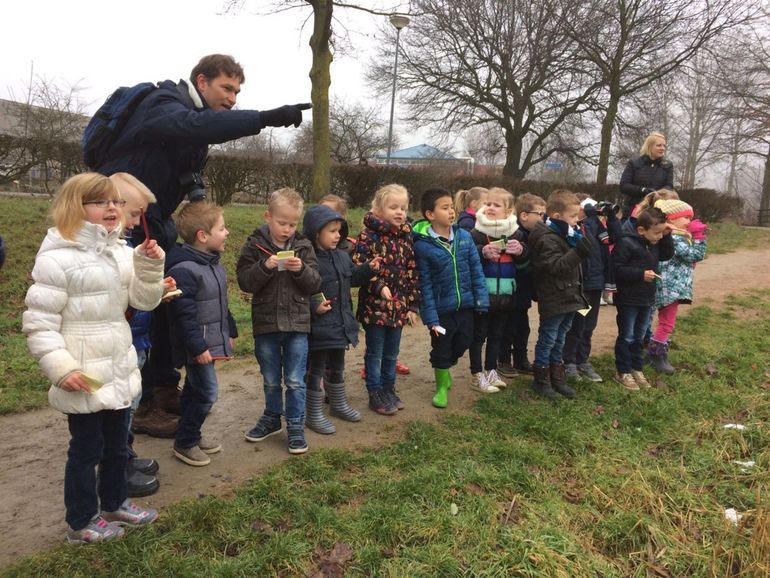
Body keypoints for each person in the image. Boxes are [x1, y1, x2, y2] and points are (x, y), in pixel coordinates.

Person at [94, 54, 311, 437]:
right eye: (227, 88)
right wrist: (262, 118)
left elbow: (183, 160)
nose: (232, 98)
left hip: (154, 220)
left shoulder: (191, 123)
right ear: (202, 81)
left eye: (238, 92)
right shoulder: (163, 103)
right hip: (123, 221)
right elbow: (190, 126)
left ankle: (159, 389)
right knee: (134, 312)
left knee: (164, 303)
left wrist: (195, 193)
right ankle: (135, 406)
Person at [22, 173, 163, 543]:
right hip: (84, 370)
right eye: (100, 202)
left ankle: (115, 503)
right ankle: (81, 520)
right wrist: (61, 368)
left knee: (119, 444)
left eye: (116, 201)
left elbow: (144, 301)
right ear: (76, 207)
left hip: (118, 361)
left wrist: (148, 267)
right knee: (86, 451)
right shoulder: (57, 257)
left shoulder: (119, 250)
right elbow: (39, 323)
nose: (113, 208)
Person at [237, 188, 321, 454]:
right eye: (281, 223)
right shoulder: (254, 245)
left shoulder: (304, 246)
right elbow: (245, 281)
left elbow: (316, 283)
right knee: (271, 378)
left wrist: (302, 270)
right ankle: (272, 417)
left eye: (292, 224)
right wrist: (266, 266)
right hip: (266, 323)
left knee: (295, 379)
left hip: (297, 324)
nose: (287, 229)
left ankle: (295, 424)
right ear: (268, 216)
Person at [109, 173, 173, 497]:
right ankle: (116, 468)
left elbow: (136, 293)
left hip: (138, 340)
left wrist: (156, 286)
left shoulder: (126, 248)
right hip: (122, 343)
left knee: (129, 407)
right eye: (135, 214)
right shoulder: (110, 255)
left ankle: (127, 457)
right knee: (121, 410)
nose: (138, 222)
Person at [165, 202, 237, 466]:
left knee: (195, 389)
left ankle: (189, 435)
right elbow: (183, 317)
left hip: (209, 341)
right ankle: (185, 442)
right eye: (222, 227)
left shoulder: (213, 266)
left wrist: (230, 328)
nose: (227, 232)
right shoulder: (184, 270)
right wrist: (197, 347)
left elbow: (220, 303)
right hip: (198, 346)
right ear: (202, 236)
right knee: (207, 392)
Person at [302, 204, 382, 433]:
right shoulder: (309, 259)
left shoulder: (342, 256)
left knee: (337, 367)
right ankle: (313, 412)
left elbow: (352, 278)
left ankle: (337, 404)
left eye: (339, 230)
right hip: (319, 326)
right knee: (315, 369)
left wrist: (368, 269)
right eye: (332, 231)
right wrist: (313, 306)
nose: (338, 235)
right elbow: (298, 290)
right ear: (316, 232)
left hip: (341, 324)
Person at [413, 188, 489, 408]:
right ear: (430, 214)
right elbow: (424, 283)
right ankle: (440, 387)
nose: (451, 212)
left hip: (466, 305)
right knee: (441, 347)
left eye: (451, 207)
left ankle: (445, 368)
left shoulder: (464, 237)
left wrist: (481, 300)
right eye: (444, 208)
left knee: (464, 341)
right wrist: (431, 318)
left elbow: (476, 270)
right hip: (441, 310)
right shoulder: (422, 245)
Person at [353, 184, 420, 415]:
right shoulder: (368, 235)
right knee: (375, 352)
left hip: (399, 307)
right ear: (379, 209)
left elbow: (412, 271)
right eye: (393, 207)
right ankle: (375, 392)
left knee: (392, 353)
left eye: (403, 207)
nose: (400, 212)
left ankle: (389, 389)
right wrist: (378, 286)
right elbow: (358, 268)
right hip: (375, 307)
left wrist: (412, 305)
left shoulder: (406, 236)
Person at [528, 190, 593, 399]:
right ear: (556, 216)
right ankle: (541, 378)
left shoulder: (567, 234)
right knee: (549, 337)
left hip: (570, 295)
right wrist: (579, 252)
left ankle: (557, 377)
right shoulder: (547, 237)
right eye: (573, 216)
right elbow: (555, 266)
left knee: (561, 336)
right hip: (554, 295)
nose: (576, 220)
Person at [468, 187, 524, 393]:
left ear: (508, 211)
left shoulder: (516, 233)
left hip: (506, 296)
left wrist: (522, 250)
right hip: (482, 296)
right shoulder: (475, 232)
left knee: (497, 335)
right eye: (488, 203)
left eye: (496, 205)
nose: (490, 207)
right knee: (478, 335)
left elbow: (526, 261)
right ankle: (476, 374)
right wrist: (481, 252)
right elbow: (465, 257)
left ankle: (491, 370)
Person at [612, 207, 674, 390]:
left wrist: (667, 236)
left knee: (639, 337)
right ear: (641, 230)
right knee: (627, 336)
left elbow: (667, 254)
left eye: (662, 232)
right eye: (657, 233)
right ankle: (622, 370)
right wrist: (640, 274)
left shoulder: (655, 244)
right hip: (628, 299)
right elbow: (617, 268)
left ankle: (636, 367)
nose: (659, 237)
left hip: (646, 299)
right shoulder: (626, 243)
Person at [563, 196, 622, 383]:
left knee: (589, 326)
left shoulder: (596, 226)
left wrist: (611, 217)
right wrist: (589, 218)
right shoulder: (576, 227)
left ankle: (582, 360)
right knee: (576, 325)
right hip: (582, 285)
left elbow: (615, 237)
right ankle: (569, 361)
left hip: (596, 283)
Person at [650, 199, 707, 374]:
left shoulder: (676, 236)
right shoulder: (675, 238)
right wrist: (699, 237)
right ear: (672, 219)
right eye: (686, 218)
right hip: (670, 287)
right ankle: (656, 355)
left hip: (669, 285)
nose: (689, 222)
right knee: (667, 323)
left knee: (656, 320)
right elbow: (696, 255)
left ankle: (650, 349)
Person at [498, 193, 546, 377]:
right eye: (539, 214)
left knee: (523, 328)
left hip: (524, 291)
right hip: (511, 289)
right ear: (524, 215)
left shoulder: (536, 234)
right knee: (507, 328)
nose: (543, 218)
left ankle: (520, 360)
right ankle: (503, 360)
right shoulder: (514, 232)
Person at [619, 132, 674, 217]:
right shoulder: (634, 163)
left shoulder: (667, 166)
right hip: (633, 209)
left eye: (664, 146)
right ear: (649, 146)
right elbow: (624, 185)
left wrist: (657, 194)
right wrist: (644, 190)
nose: (662, 148)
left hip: (656, 211)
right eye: (659, 145)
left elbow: (669, 186)